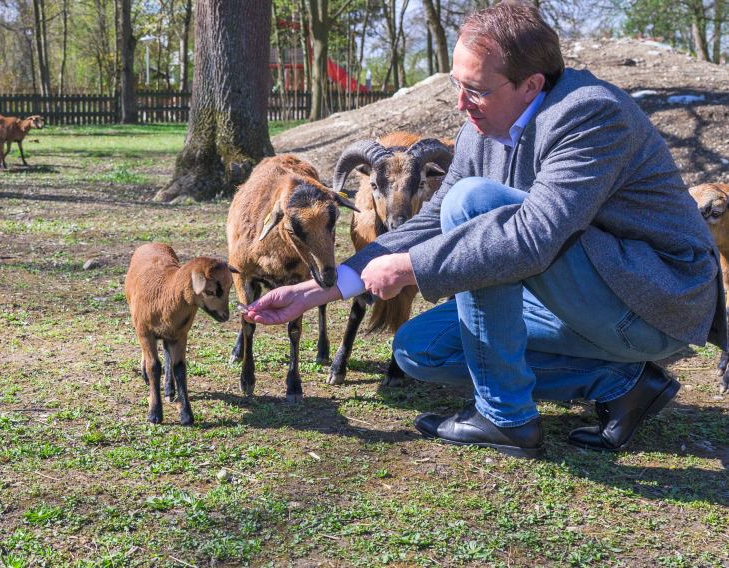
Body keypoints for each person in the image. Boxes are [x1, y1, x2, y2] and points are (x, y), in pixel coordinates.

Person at [243, 1, 726, 459]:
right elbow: (431, 221)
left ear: (531, 85)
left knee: (473, 201)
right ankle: (621, 383)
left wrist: (411, 266)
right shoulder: (482, 124)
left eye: (474, 89)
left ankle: (506, 417)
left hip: (652, 303)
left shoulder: (592, 116)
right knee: (420, 350)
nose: (460, 104)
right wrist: (321, 290)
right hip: (576, 291)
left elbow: (533, 239)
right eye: (458, 85)